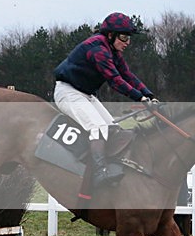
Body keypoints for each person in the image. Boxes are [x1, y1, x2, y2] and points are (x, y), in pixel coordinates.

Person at [53, 12, 157, 188]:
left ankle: (113, 167)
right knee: (98, 127)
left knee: (113, 129)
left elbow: (127, 75)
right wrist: (140, 97)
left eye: (129, 38)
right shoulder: (98, 49)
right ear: (111, 35)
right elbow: (115, 81)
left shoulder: (113, 51)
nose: (127, 42)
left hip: (85, 94)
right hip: (68, 92)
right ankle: (99, 173)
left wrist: (150, 95)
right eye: (124, 37)